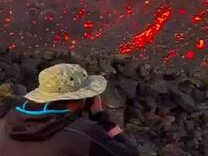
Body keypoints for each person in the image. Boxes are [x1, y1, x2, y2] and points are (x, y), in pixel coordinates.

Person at [0, 63, 138, 156]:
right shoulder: (84, 132)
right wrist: (101, 117)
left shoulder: (5, 120)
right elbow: (130, 153)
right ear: (83, 98)